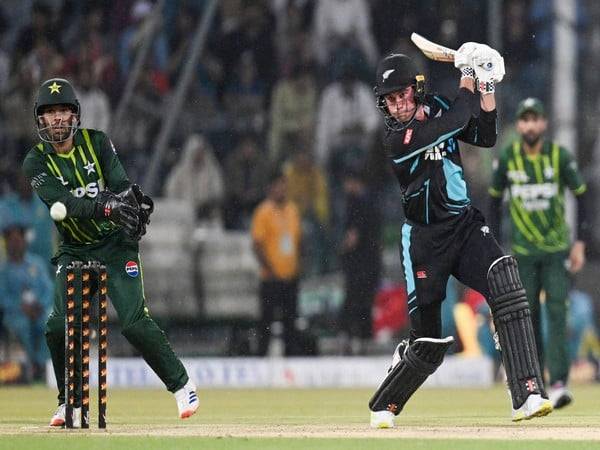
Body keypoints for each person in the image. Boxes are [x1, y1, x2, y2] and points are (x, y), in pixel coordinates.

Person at [367, 46, 552, 428]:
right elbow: (453, 122)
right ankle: (384, 403)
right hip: (424, 242)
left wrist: (486, 88)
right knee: (429, 346)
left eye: (402, 95)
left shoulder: (437, 105)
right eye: (390, 100)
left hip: (463, 225)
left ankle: (527, 393)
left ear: (415, 90)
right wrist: (469, 75)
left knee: (505, 280)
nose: (398, 105)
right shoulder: (396, 140)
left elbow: (483, 134)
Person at [22, 78, 199, 427]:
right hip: (74, 249)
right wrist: (106, 207)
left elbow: (120, 186)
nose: (57, 119)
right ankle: (68, 404)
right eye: (49, 113)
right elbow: (64, 204)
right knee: (58, 327)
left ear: (75, 115)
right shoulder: (35, 162)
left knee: (133, 323)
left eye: (63, 111)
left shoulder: (98, 142)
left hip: (115, 246)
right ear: (40, 120)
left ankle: (183, 385)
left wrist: (129, 205)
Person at [488, 97, 590, 409]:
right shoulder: (507, 158)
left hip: (556, 251)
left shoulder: (558, 156)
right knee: (525, 317)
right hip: (523, 253)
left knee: (558, 314)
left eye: (535, 119)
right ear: (518, 125)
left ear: (544, 123)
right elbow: (493, 202)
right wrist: (493, 246)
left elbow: (582, 195)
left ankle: (559, 382)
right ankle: (534, 384)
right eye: (524, 120)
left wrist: (580, 242)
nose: (530, 125)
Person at [250, 169, 302, 356]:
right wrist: (270, 270)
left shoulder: (292, 210)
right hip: (271, 279)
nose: (282, 189)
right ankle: (261, 360)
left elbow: (297, 241)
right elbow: (257, 245)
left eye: (284, 185)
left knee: (291, 323)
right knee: (266, 323)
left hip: (290, 278)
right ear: (271, 188)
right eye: (278, 185)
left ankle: (291, 361)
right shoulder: (263, 212)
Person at [0, 221, 52, 381]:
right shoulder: (3, 269)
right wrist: (21, 307)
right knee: (22, 326)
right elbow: (3, 297)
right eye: (12, 241)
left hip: (38, 310)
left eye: (18, 240)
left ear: (24, 241)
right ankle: (31, 366)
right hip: (15, 314)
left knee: (48, 324)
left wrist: (40, 305)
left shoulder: (37, 263)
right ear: (7, 243)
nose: (15, 244)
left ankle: (43, 365)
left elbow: (48, 289)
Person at [338, 166, 382, 354]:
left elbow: (352, 237)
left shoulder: (355, 203)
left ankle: (350, 339)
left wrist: (340, 251)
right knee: (366, 302)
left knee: (353, 300)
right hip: (372, 261)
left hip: (358, 263)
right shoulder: (372, 202)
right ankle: (365, 340)